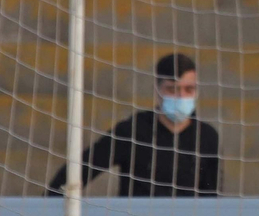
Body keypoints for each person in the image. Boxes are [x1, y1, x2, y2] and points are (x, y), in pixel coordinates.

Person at [48, 53, 220, 197]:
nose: (181, 97)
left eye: (188, 90)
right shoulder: (133, 131)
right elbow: (83, 167)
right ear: (158, 90)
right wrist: (48, 203)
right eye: (173, 89)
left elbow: (212, 196)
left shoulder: (206, 137)